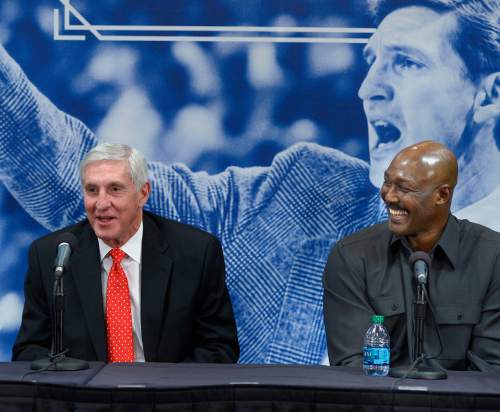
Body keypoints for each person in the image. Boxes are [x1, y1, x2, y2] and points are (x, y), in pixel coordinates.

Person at [0, 0, 498, 364]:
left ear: (489, 92)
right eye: (372, 62)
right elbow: (90, 187)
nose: (369, 89)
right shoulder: (308, 193)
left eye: (407, 63)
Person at [12, 143, 239, 363]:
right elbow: (29, 351)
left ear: (143, 193)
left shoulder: (195, 253)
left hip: (166, 396)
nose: (101, 203)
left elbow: (219, 348)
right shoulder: (52, 256)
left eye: (115, 189)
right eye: (92, 190)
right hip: (83, 395)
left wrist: (161, 390)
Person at [323, 141, 500, 372]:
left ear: (442, 195)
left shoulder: (492, 257)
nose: (389, 196)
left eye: (404, 188)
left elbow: (490, 370)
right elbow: (353, 367)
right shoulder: (351, 256)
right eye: (387, 182)